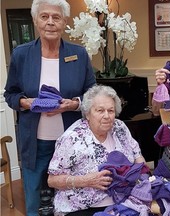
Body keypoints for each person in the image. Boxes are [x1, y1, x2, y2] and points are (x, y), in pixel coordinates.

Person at [4, 0, 96, 215]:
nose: (50, 22)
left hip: (72, 141)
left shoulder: (79, 54)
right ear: (35, 21)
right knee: (34, 198)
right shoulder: (22, 54)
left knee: (73, 197)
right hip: (35, 143)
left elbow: (93, 94)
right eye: (44, 17)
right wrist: (26, 103)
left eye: (56, 17)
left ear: (64, 21)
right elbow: (11, 94)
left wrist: (75, 104)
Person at [47, 85, 147, 216]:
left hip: (122, 202)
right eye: (100, 110)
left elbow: (138, 156)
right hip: (81, 208)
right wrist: (85, 181)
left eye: (111, 111)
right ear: (87, 113)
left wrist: (144, 178)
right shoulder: (72, 138)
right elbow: (52, 180)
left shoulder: (120, 127)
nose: (107, 116)